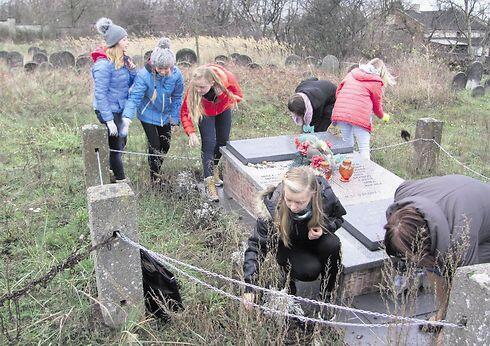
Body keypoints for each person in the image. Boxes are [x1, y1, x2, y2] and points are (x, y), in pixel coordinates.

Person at [384, 174, 490, 326]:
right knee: (434, 264)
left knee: (467, 278)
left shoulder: (461, 239)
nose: (409, 261)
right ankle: (442, 312)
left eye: (410, 255)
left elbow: (466, 287)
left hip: (479, 216)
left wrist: (451, 330)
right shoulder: (404, 192)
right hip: (465, 197)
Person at [242, 166, 346, 310]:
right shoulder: (273, 207)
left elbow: (338, 218)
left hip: (313, 241)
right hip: (288, 246)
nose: (293, 207)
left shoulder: (325, 196)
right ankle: (287, 278)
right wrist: (250, 287)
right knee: (309, 271)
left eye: (299, 202)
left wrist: (323, 228)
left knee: (333, 244)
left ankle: (327, 295)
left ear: (313, 194)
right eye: (289, 199)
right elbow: (256, 246)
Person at [122, 38, 184, 186]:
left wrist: (175, 120)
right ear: (154, 65)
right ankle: (154, 177)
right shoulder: (144, 75)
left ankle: (157, 169)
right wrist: (127, 117)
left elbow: (177, 97)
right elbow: (135, 97)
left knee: (165, 144)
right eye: (159, 68)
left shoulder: (176, 75)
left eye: (166, 68)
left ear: (172, 65)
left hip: (165, 114)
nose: (163, 72)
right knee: (154, 145)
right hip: (147, 113)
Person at [180, 64, 243, 202]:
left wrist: (223, 95)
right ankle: (209, 184)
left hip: (223, 108)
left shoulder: (228, 80)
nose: (198, 89)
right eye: (196, 86)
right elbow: (185, 112)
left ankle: (214, 169)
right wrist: (191, 132)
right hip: (205, 111)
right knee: (209, 143)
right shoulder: (194, 89)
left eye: (202, 87)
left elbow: (238, 97)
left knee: (222, 142)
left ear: (212, 82)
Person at [91, 17, 136, 183]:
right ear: (116, 42)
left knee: (122, 141)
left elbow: (129, 84)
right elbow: (100, 94)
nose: (127, 42)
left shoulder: (123, 60)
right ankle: (120, 180)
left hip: (119, 107)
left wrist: (132, 70)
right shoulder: (103, 65)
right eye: (125, 39)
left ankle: (110, 168)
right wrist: (109, 121)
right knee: (116, 145)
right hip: (107, 109)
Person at [331, 58, 395, 160]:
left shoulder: (352, 73)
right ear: (381, 71)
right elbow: (377, 106)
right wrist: (383, 116)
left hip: (341, 113)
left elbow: (338, 92)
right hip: (359, 116)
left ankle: (347, 171)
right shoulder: (376, 81)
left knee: (347, 146)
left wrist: (345, 106)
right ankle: (365, 172)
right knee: (364, 148)